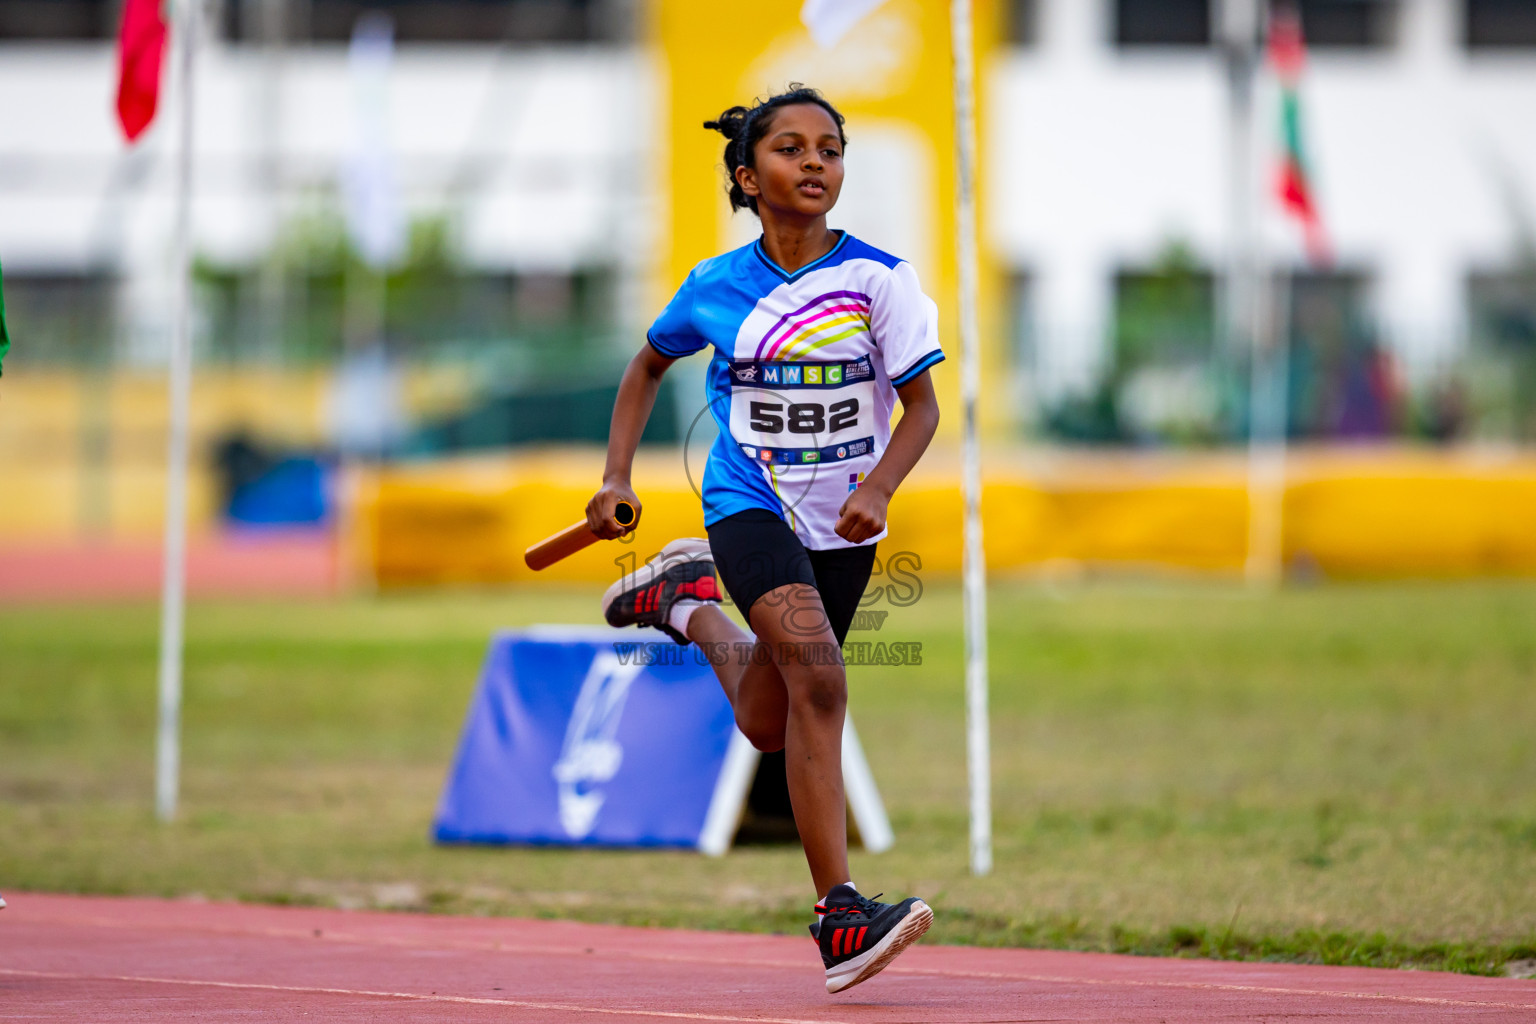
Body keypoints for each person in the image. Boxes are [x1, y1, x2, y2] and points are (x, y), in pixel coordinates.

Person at [586, 85, 942, 994]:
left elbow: (924, 407)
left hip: (846, 520)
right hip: (748, 502)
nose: (816, 161)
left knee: (768, 716)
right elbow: (646, 365)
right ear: (748, 176)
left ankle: (685, 606)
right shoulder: (712, 288)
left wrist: (879, 484)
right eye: (791, 148)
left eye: (831, 147)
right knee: (821, 678)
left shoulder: (880, 280)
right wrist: (617, 476)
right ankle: (841, 915)